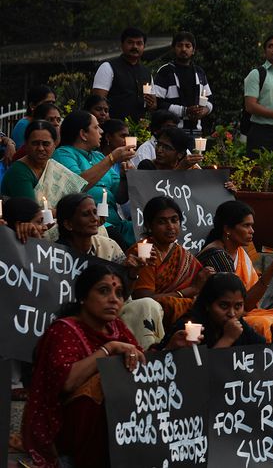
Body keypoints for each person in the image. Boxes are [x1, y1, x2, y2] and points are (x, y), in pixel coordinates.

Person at [22, 264, 144, 467]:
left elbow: (141, 363)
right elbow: (67, 383)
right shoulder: (64, 330)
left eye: (119, 293)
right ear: (83, 297)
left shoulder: (116, 327)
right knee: (100, 383)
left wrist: (174, 345)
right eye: (103, 291)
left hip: (113, 426)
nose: (113, 299)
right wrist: (108, 349)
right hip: (64, 425)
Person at [55, 193, 165, 348]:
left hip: (111, 314)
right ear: (68, 224)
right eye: (86, 214)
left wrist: (132, 272)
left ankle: (147, 362)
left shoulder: (109, 246)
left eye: (95, 212)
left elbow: (124, 296)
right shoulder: (55, 255)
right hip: (76, 318)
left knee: (147, 304)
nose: (95, 218)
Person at [196, 199, 273, 338]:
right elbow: (244, 305)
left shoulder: (240, 251)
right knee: (266, 324)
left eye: (252, 226)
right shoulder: (218, 257)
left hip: (243, 312)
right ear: (227, 229)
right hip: (222, 319)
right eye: (246, 226)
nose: (252, 231)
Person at [52, 110, 136, 245]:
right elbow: (78, 185)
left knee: (147, 233)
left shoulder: (98, 156)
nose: (101, 131)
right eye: (96, 127)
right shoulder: (64, 154)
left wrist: (125, 177)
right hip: (92, 224)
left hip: (116, 222)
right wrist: (112, 158)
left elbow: (120, 197)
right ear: (83, 134)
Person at [130, 196, 214, 326]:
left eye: (174, 220)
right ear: (148, 225)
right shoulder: (144, 252)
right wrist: (188, 291)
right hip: (150, 314)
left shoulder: (182, 254)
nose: (170, 227)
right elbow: (144, 300)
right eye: (162, 222)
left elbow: (200, 285)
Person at [159, 273, 266, 350]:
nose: (232, 313)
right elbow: (199, 372)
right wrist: (228, 339)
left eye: (238, 306)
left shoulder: (239, 325)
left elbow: (262, 349)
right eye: (224, 306)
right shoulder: (189, 329)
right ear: (208, 305)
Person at [154, 31, 212, 136]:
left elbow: (210, 99)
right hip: (172, 131)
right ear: (173, 49)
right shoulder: (165, 71)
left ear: (193, 50)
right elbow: (157, 103)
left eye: (187, 46)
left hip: (196, 130)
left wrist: (205, 110)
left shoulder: (199, 72)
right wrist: (184, 111)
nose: (183, 49)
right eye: (179, 45)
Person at [90, 27, 156, 121]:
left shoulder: (146, 73)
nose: (135, 47)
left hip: (139, 130)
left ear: (144, 46)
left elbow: (152, 104)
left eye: (139, 43)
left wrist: (152, 104)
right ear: (122, 45)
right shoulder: (108, 67)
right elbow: (96, 102)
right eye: (130, 42)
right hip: (113, 130)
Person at [2, 120, 64, 201]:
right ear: (26, 145)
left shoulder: (53, 166)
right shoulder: (18, 172)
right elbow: (31, 211)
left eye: (46, 144)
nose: (41, 148)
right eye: (35, 143)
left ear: (54, 145)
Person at [137, 127, 202, 170]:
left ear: (180, 154)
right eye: (158, 144)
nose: (159, 150)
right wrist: (179, 170)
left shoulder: (188, 169)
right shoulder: (146, 166)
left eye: (166, 147)